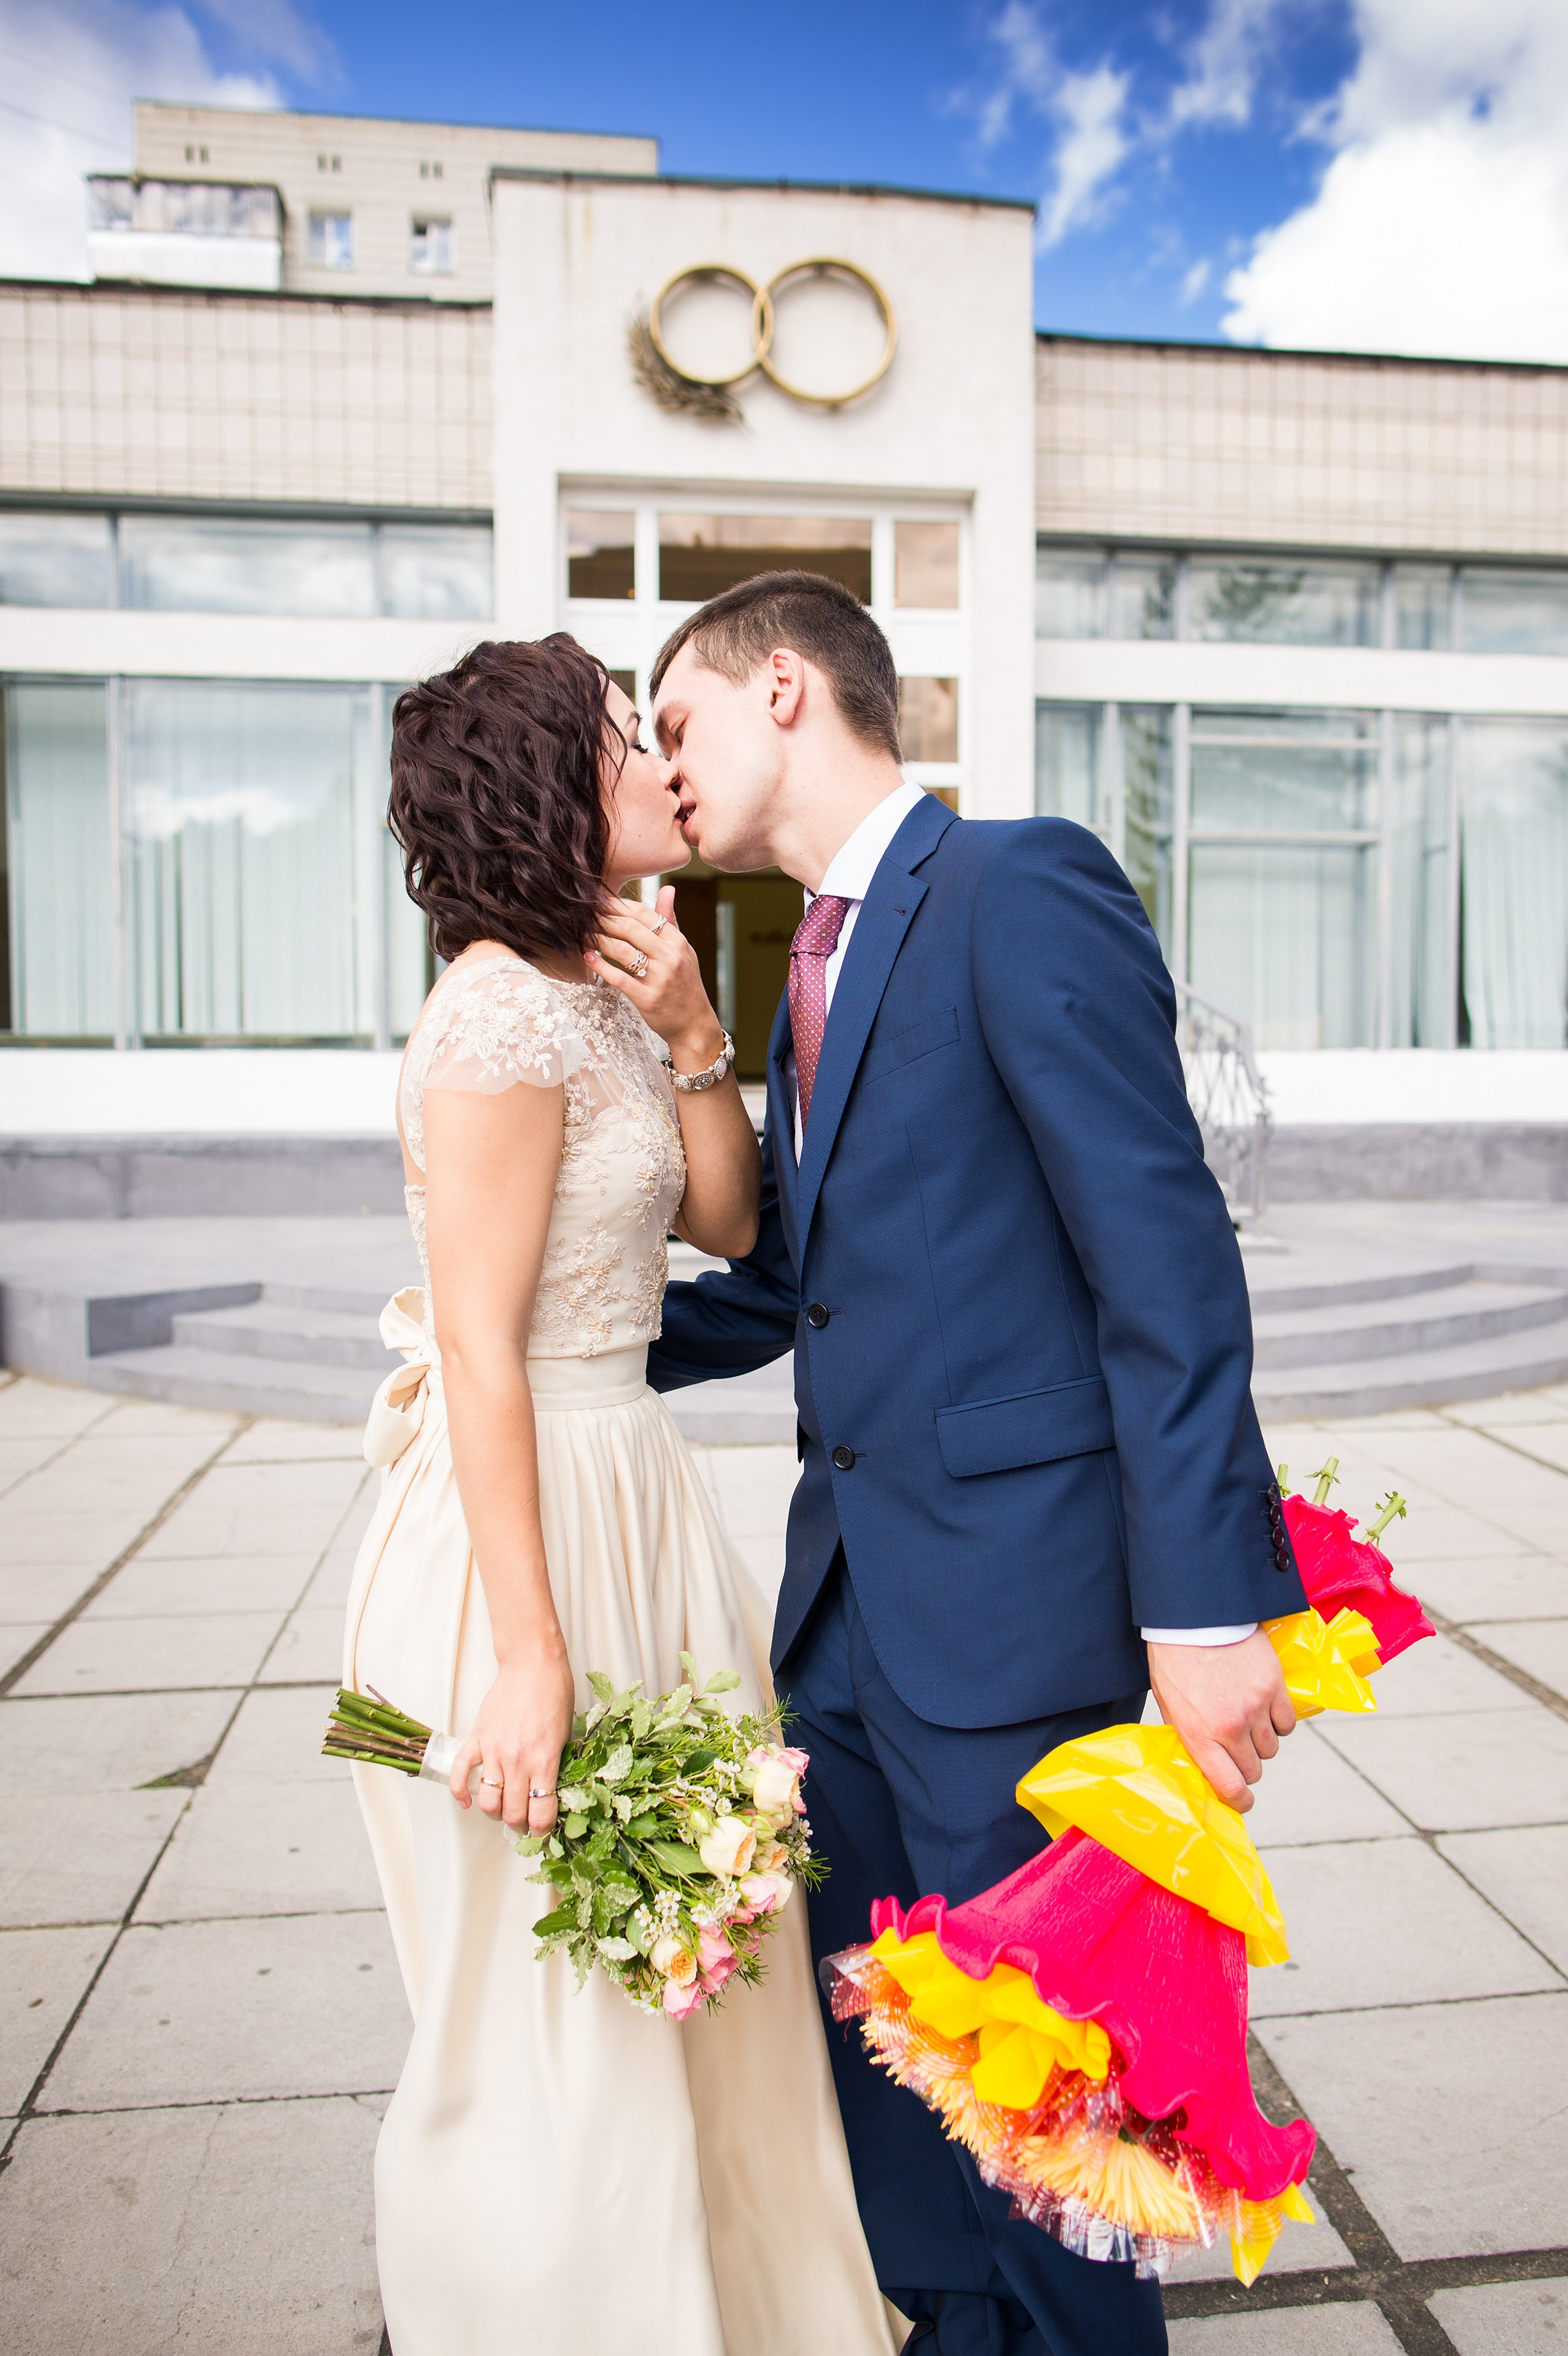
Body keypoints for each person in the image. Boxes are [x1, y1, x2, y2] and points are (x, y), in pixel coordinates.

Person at [643, 572, 1308, 2356]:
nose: (660, 768)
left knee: (1050, 2112)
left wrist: (1208, 1595)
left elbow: (1164, 1257)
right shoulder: (801, 960)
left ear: (783, 685)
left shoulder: (1016, 887)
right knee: (894, 2075)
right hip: (849, 1617)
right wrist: (569, 1341)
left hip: (1023, 1619)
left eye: (675, 722)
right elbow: (804, 1277)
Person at [342, 634, 896, 2356]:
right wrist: (530, 1653)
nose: (662, 764)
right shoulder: (497, 1010)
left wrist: (691, 1029)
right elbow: (485, 1349)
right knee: (550, 2010)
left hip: (637, 1509)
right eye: (621, 741)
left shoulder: (601, 993)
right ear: (545, 786)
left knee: (700, 1970)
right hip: (522, 1538)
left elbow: (729, 1225)